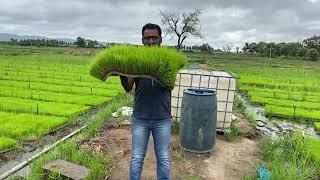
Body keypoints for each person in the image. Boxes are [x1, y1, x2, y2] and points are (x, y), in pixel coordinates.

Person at [120, 23, 171, 180]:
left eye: (154, 37)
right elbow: (128, 87)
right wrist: (122, 72)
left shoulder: (168, 60)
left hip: (162, 118)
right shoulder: (137, 61)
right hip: (140, 117)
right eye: (147, 38)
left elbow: (170, 84)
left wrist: (154, 70)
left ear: (160, 39)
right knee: (136, 157)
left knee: (163, 158)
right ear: (142, 40)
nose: (150, 41)